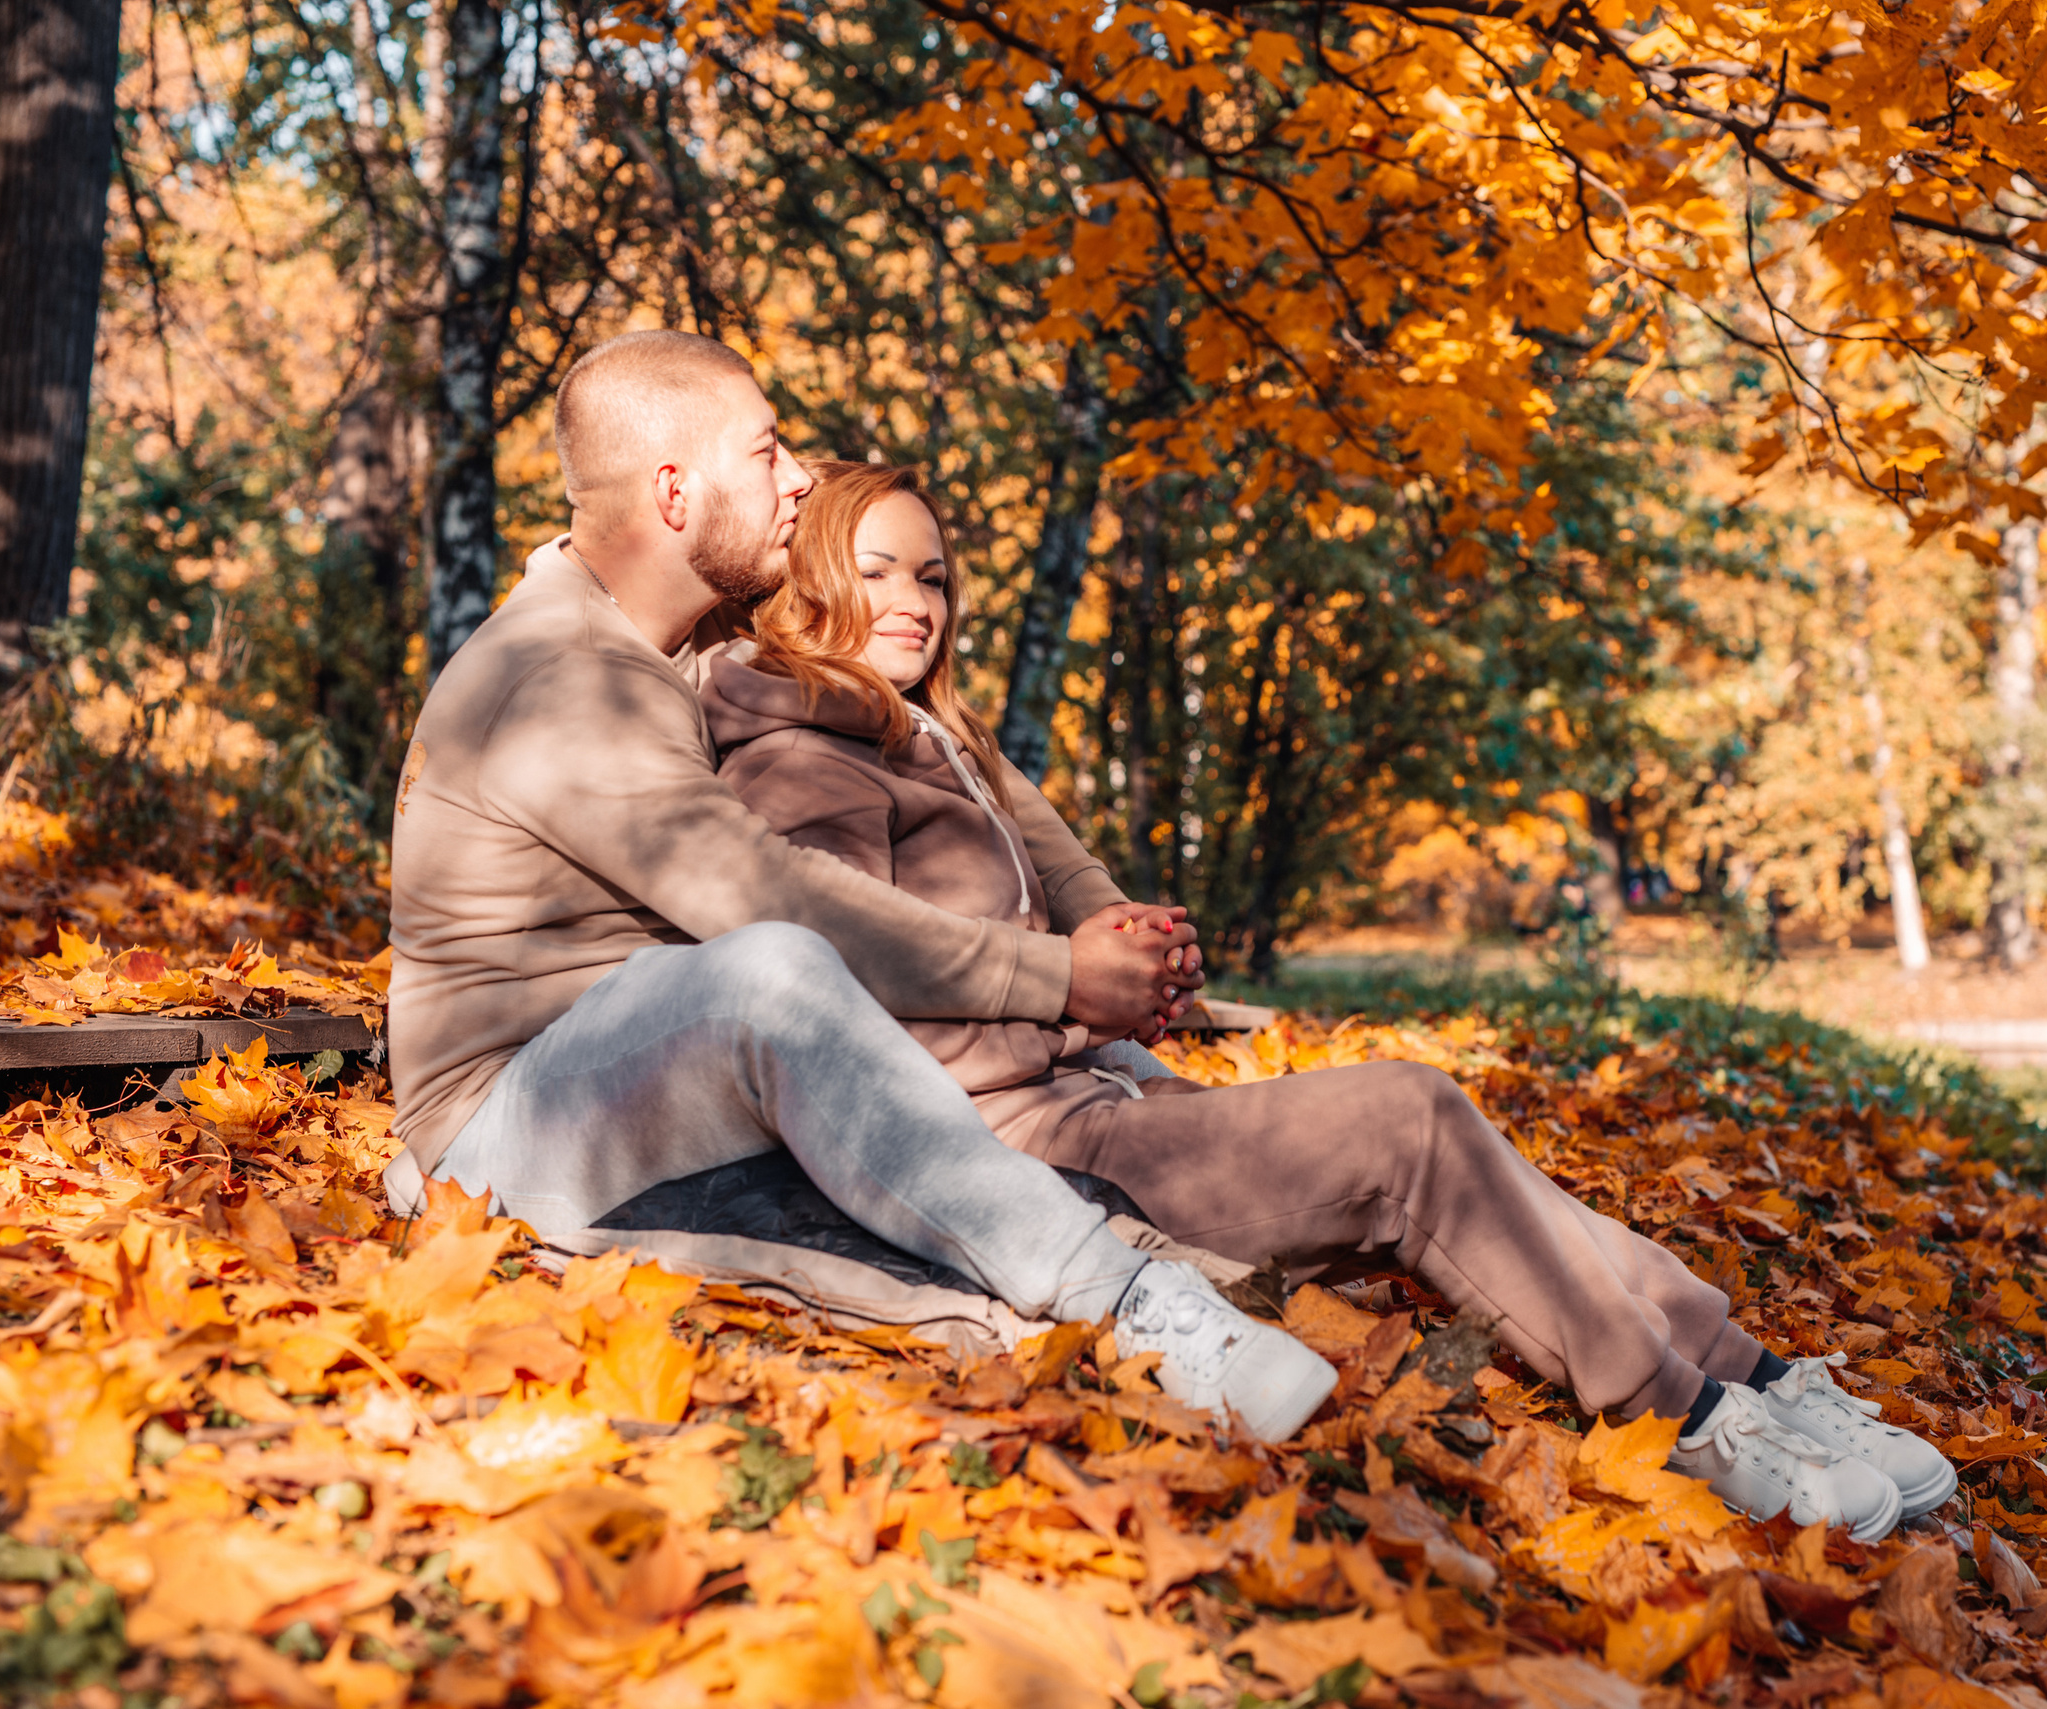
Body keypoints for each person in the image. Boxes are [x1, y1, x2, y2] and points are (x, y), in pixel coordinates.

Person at [701, 459, 1960, 1540]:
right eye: (877, 570)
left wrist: (1131, 956)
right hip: (1018, 1154)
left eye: (931, 576)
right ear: (807, 577)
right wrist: (1082, 996)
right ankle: (1676, 1414)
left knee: (1474, 1158)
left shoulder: (927, 733)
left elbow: (1054, 902)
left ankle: (1747, 1375)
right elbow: (848, 1012)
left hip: (1094, 1098)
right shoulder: (803, 755)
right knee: (1406, 1118)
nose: (915, 601)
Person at [381, 330, 1337, 1443]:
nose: (798, 479)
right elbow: (772, 896)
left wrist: (1091, 913)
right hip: (513, 1121)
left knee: (828, 1014)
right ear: (675, 493)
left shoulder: (668, 639)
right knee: (771, 969)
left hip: (654, 1066)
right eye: (768, 453)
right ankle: (1126, 1300)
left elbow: (939, 738)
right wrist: (1056, 976)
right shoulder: (563, 676)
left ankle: (1171, 1212)